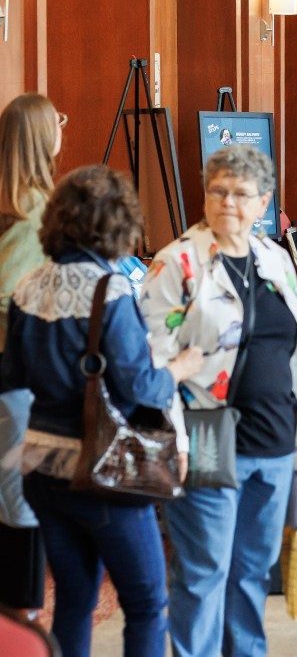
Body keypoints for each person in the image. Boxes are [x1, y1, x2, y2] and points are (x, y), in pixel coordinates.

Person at [3, 165, 202, 657]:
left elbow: (13, 376)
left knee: (74, 599)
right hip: (105, 469)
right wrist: (179, 367)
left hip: (42, 469)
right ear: (118, 224)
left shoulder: (28, 287)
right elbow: (139, 387)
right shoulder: (109, 291)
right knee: (146, 601)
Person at [139, 145, 297, 656]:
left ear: (263, 203)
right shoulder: (177, 263)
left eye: (241, 194)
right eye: (218, 191)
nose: (228, 203)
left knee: (252, 571)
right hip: (208, 433)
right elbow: (153, 360)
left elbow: (295, 350)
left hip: (277, 437)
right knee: (203, 569)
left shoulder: (275, 258)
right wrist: (174, 434)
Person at [0, 96, 62, 614]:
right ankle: (24, 612)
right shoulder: (36, 208)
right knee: (24, 491)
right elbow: (7, 293)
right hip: (20, 372)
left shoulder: (11, 200)